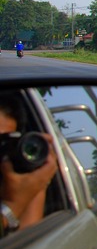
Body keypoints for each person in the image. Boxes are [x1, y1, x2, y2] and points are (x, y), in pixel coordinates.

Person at [0, 94, 58, 236]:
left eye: (3, 143)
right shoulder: (12, 196)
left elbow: (26, 236)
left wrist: (36, 176)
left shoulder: (11, 182)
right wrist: (11, 206)